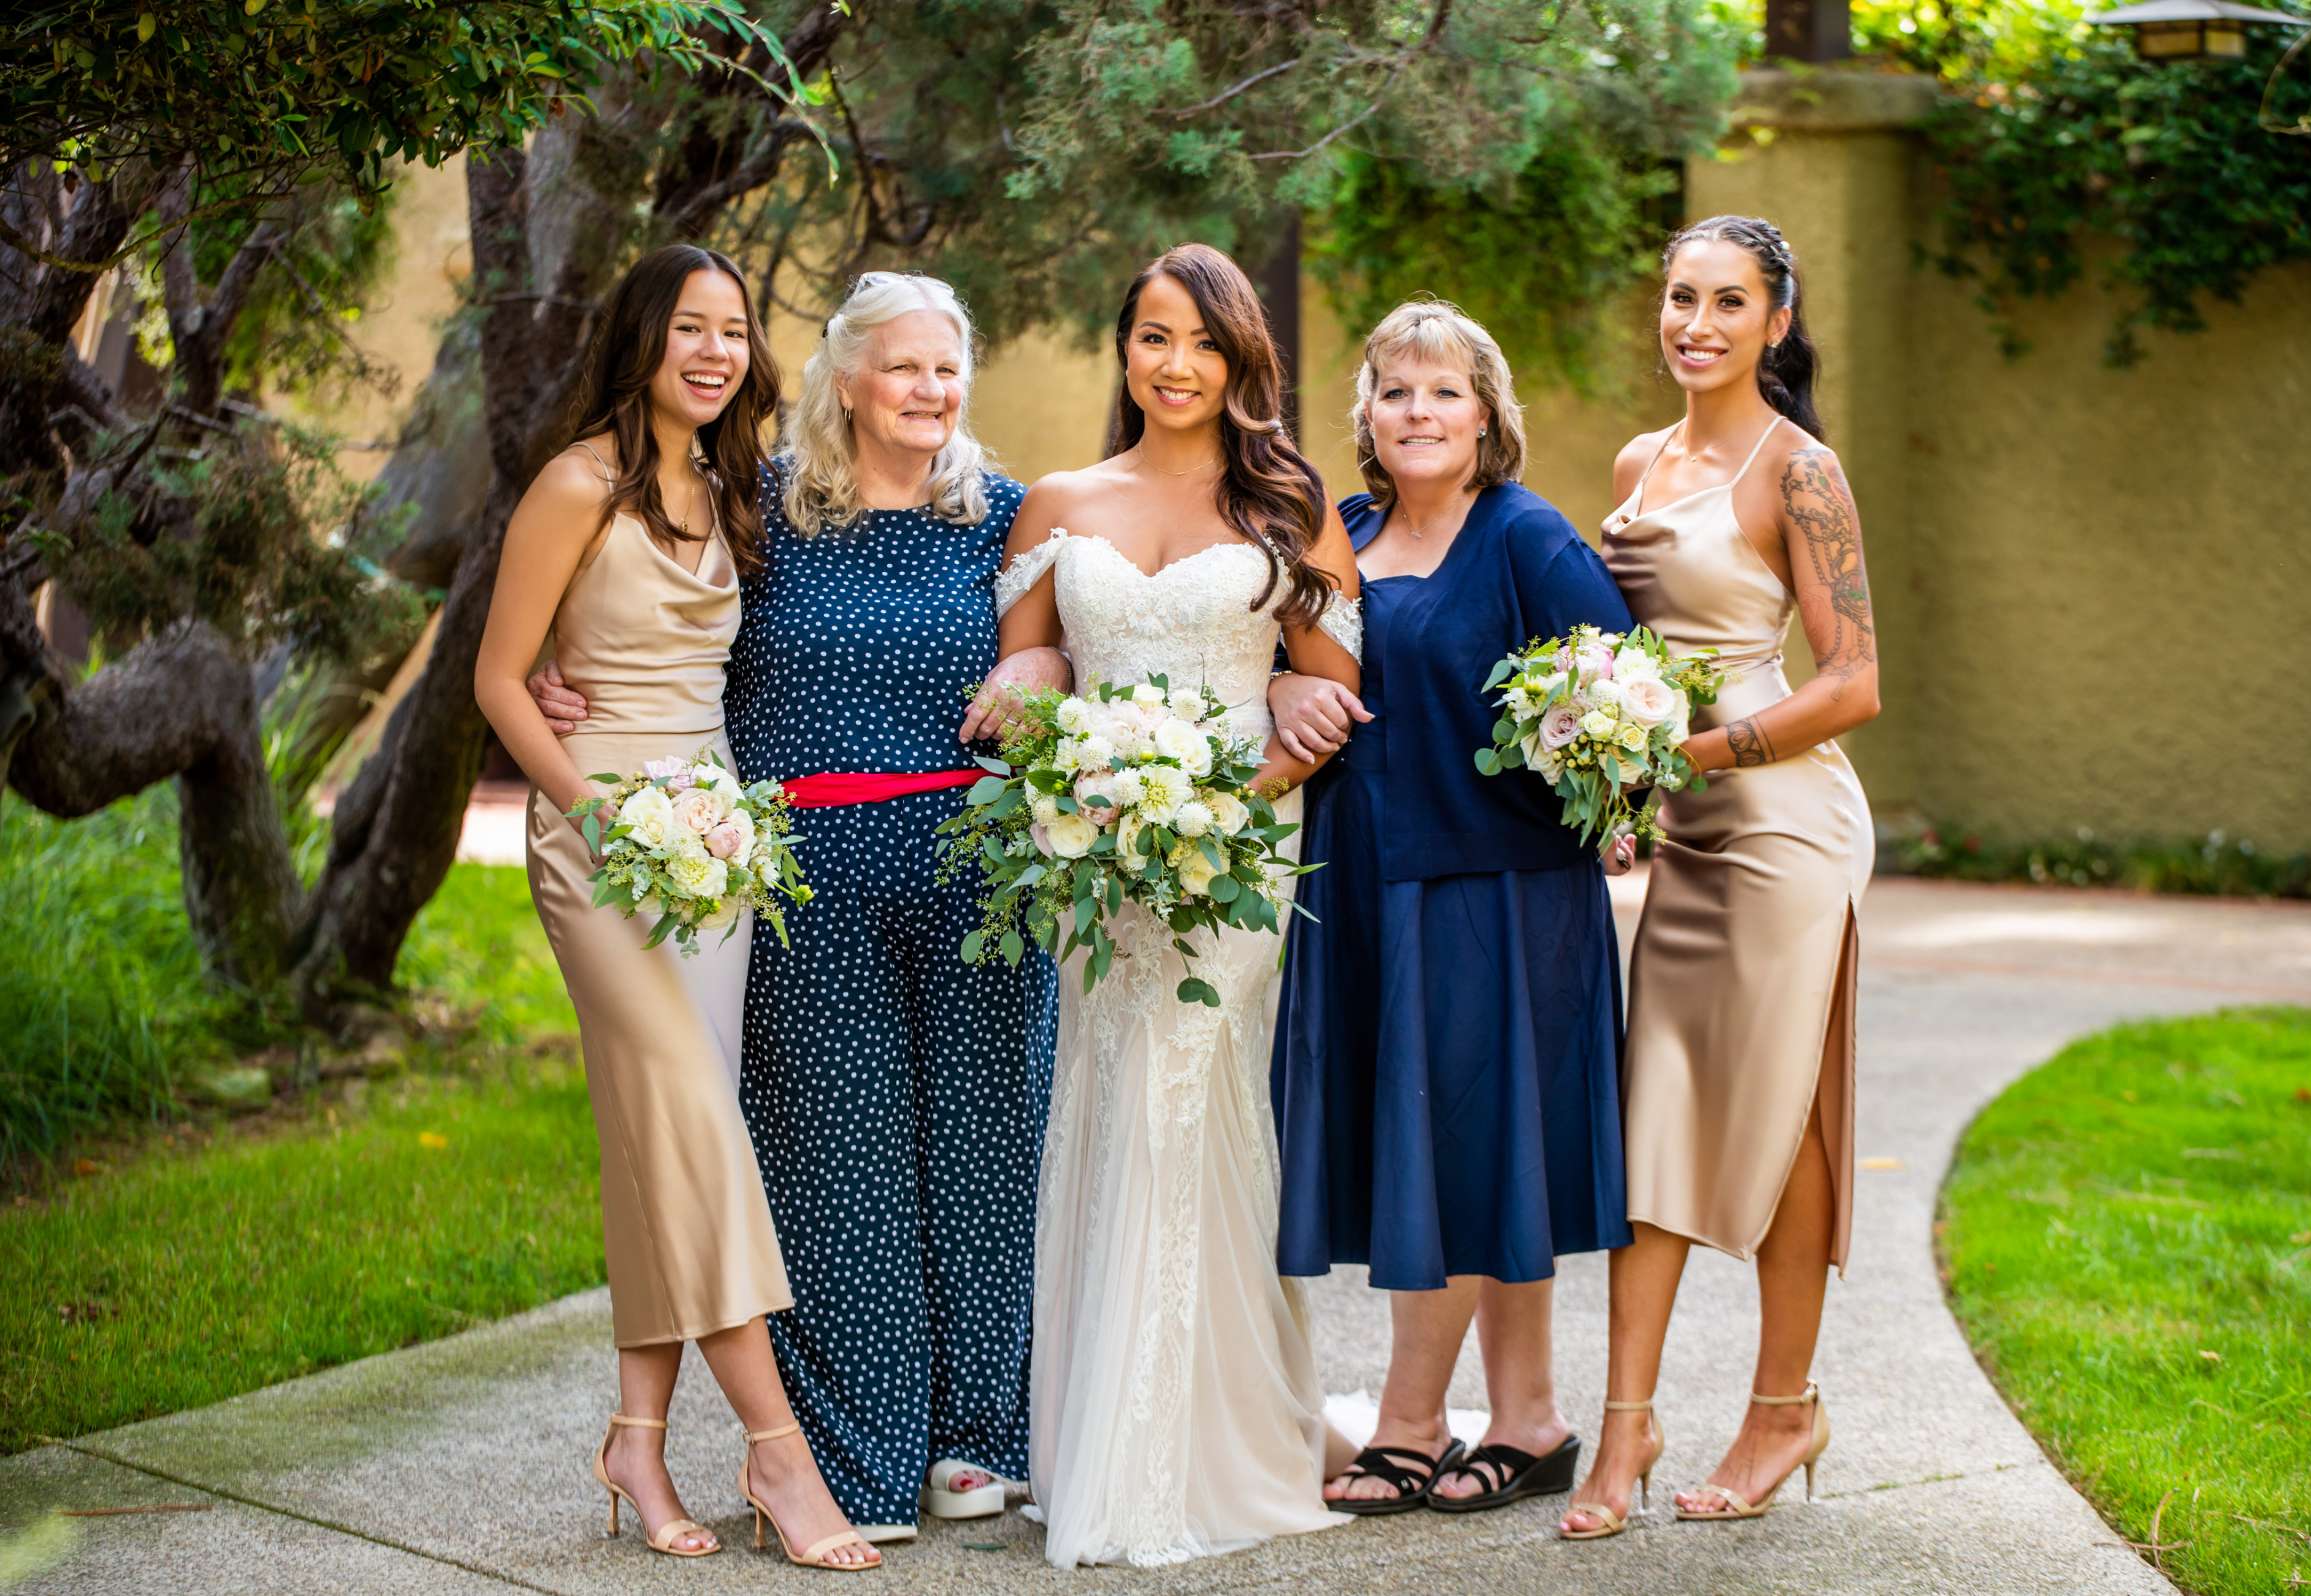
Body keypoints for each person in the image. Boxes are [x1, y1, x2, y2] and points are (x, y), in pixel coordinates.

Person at [529, 270, 1065, 1543]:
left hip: (974, 872)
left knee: (986, 1150)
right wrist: (559, 662)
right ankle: (858, 1454)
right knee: (835, 1164)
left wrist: (1040, 657)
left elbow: (1067, 635)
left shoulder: (1002, 511)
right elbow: (637, 595)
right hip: (802, 879)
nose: (929, 392)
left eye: (949, 369)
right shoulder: (754, 500)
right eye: (903, 367)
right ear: (844, 377)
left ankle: (977, 1442)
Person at [474, 244, 877, 1572]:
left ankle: (636, 1442)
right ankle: (780, 1455)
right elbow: (497, 678)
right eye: (688, 328)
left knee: (665, 1139)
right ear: (641, 338)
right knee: (701, 1130)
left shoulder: (726, 486)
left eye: (733, 331)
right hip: (601, 846)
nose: (712, 351)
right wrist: (589, 801)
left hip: (714, 849)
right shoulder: (576, 484)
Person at [981, 243, 1364, 1567]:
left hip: (1240, 852)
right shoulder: (1055, 502)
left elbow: (1327, 684)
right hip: (1096, 858)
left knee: (1186, 1097)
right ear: (1124, 350)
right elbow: (1028, 651)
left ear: (1242, 357)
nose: (1176, 364)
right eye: (1153, 336)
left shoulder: (1292, 508)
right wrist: (1033, 697)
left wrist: (1255, 753)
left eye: (1203, 342)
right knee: (1109, 1096)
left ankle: (1201, 1460)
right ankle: (1107, 1442)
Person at [1270, 300, 1639, 1519]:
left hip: (1499, 896)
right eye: (1395, 391)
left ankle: (1415, 1420)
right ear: (1365, 415)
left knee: (1461, 1152)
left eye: (1444, 391)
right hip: (1372, 882)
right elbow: (1294, 665)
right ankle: (1528, 1422)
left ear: (1488, 413)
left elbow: (1630, 701)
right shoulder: (1347, 529)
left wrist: (1612, 786)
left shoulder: (1529, 539)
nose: (1418, 413)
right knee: (1479, 1161)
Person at [1562, 215, 1880, 1541]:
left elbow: (1855, 679)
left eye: (1727, 301)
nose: (1695, 321)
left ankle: (1780, 1407)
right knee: (1661, 1114)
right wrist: (1619, 765)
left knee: (1780, 1118)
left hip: (1785, 831)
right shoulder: (1642, 461)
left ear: (1777, 321)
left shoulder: (1800, 470)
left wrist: (1697, 749)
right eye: (1681, 296)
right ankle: (1621, 1435)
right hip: (1686, 834)